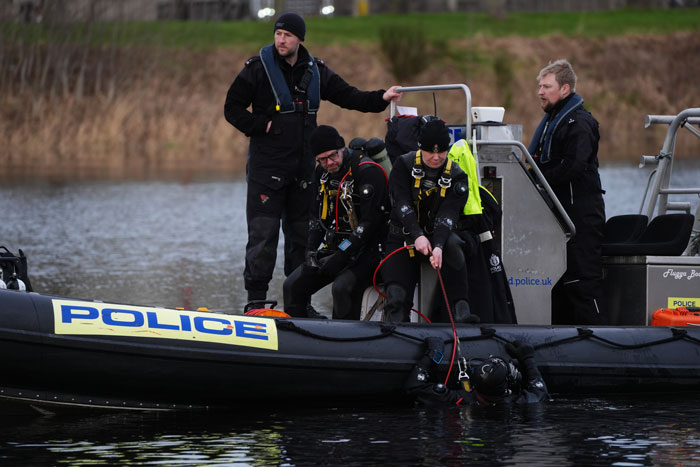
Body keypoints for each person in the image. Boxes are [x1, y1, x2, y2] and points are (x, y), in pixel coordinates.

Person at [224, 12, 402, 302]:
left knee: (301, 241)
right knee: (262, 239)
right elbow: (231, 108)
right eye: (278, 34)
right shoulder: (257, 70)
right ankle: (256, 303)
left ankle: (298, 303)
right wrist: (261, 126)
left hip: (304, 172)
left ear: (299, 39)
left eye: (288, 35)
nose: (281, 40)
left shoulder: (315, 71)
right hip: (266, 171)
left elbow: (348, 96)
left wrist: (380, 98)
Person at [527, 59, 606, 325]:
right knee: (557, 285)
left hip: (580, 218)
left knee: (581, 282)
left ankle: (597, 340)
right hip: (557, 219)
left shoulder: (581, 123)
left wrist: (537, 181)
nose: (540, 91)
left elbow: (573, 165)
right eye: (539, 86)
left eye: (546, 86)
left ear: (565, 89)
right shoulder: (552, 122)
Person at [282, 125, 390, 319]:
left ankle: (343, 342)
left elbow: (370, 224)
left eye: (332, 156)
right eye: (322, 159)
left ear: (342, 148)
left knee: (342, 288)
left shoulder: (367, 172)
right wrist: (311, 250)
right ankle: (303, 333)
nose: (329, 163)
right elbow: (316, 217)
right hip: (339, 247)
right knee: (292, 285)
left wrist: (342, 254)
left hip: (371, 250)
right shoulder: (321, 174)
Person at [381, 117, 475, 324]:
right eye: (430, 152)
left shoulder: (457, 176)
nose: (436, 157)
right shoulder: (403, 166)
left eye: (441, 151)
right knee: (396, 296)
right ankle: (396, 330)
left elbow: (449, 214)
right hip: (404, 237)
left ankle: (460, 314)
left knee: (455, 247)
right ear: (420, 148)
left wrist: (439, 245)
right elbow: (401, 203)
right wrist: (417, 235)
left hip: (438, 239)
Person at [405, 339, 549, 406]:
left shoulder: (459, 399)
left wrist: (434, 355)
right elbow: (540, 391)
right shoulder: (517, 402)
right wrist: (528, 358)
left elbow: (415, 387)